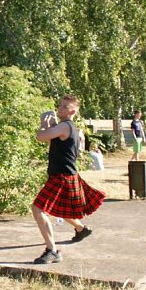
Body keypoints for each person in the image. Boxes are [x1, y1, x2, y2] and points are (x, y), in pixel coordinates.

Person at [31, 95, 106, 264]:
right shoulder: (68, 128)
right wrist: (51, 126)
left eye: (65, 106)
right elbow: (52, 144)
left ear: (73, 111)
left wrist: (44, 123)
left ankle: (52, 251)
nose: (60, 108)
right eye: (60, 105)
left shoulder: (65, 126)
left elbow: (40, 136)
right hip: (66, 175)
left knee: (37, 209)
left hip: (62, 176)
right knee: (61, 209)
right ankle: (81, 229)